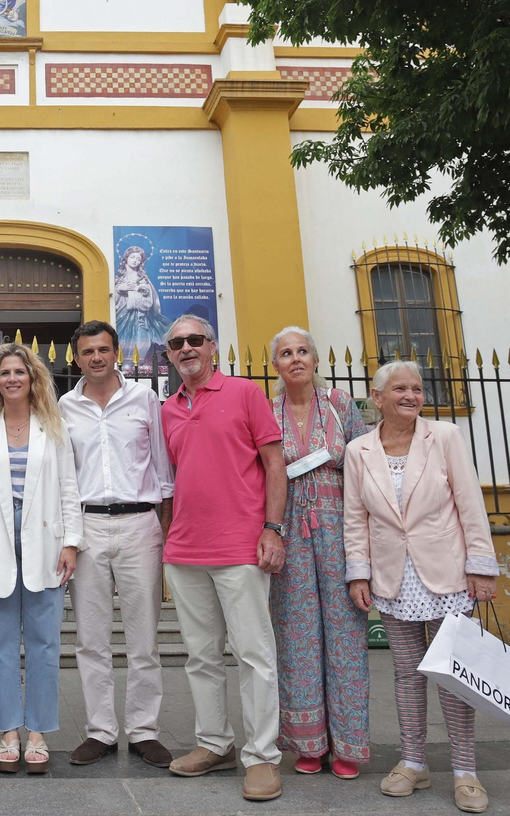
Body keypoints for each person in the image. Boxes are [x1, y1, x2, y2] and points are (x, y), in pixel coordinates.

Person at [344, 360, 499, 814]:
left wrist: (482, 567)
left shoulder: (445, 437)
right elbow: (356, 518)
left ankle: (465, 771)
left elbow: (470, 502)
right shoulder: (359, 451)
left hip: (446, 573)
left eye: (416, 388)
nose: (410, 396)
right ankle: (413, 761)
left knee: (452, 675)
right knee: (407, 674)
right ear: (377, 398)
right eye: (399, 389)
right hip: (393, 578)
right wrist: (359, 573)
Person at [159, 315, 289, 803]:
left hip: (241, 548)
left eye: (195, 340)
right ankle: (214, 743)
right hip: (186, 550)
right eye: (177, 343)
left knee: (254, 654)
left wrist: (273, 529)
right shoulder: (167, 409)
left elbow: (275, 463)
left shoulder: (245, 394)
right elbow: (171, 479)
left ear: (213, 346)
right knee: (201, 655)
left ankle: (262, 757)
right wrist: (169, 538)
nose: (187, 348)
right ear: (169, 354)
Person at [0, 343, 83, 774]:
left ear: (33, 380)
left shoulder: (53, 427)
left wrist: (72, 542)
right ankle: (9, 732)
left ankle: (38, 733)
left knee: (46, 643)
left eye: (20, 372)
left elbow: (69, 487)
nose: (12, 378)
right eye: (4, 373)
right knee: (1, 644)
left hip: (46, 540)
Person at [57, 320, 174, 768]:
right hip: (86, 525)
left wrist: (164, 532)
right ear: (77, 357)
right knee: (91, 638)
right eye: (88, 352)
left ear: (117, 352)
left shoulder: (144, 398)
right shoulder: (65, 407)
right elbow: (65, 476)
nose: (96, 358)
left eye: (104, 349)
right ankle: (101, 731)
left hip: (140, 523)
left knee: (144, 636)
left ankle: (144, 730)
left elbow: (163, 472)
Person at [267, 326, 373, 778]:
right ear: (275, 365)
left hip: (338, 529)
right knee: (296, 637)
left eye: (303, 351)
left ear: (315, 359)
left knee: (346, 636)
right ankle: (308, 742)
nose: (295, 359)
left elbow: (365, 466)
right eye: (286, 353)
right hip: (287, 529)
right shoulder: (265, 410)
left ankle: (347, 746)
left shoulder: (341, 404)